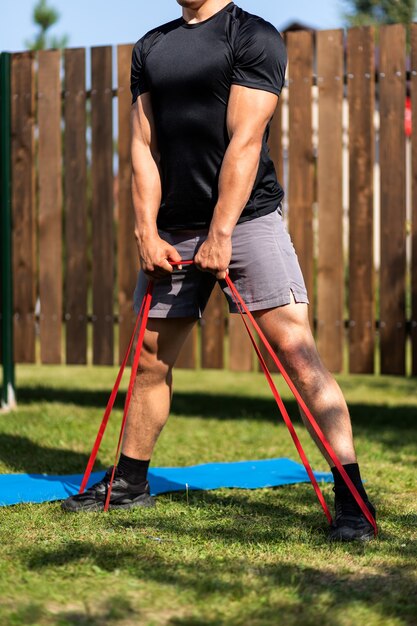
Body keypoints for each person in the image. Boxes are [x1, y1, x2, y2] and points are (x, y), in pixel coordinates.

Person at [62, 0, 377, 541]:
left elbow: (246, 141)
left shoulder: (252, 36)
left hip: (247, 219)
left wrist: (222, 231)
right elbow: (143, 146)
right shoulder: (151, 46)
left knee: (297, 356)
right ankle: (131, 482)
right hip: (174, 228)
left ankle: (351, 498)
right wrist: (146, 230)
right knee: (149, 360)